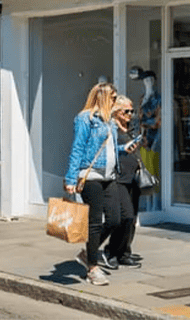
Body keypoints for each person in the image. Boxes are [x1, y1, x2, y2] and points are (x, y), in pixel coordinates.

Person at [64, 81, 120, 286]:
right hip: (91, 177)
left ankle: (89, 253)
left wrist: (123, 149)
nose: (115, 100)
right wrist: (71, 179)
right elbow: (78, 148)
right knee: (95, 222)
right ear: (103, 97)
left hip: (109, 176)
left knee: (115, 219)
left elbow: (110, 150)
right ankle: (93, 269)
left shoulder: (110, 121)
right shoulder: (85, 119)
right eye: (113, 97)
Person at [103, 96, 143, 269]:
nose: (130, 114)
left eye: (132, 111)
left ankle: (124, 252)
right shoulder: (111, 129)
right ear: (116, 111)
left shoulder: (132, 128)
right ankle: (110, 251)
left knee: (131, 218)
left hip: (133, 177)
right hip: (118, 178)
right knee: (123, 217)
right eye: (127, 111)